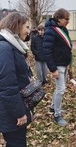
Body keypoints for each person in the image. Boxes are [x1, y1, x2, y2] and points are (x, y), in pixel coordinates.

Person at [0, 12, 32, 147]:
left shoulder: (12, 46)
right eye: (27, 27)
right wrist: (19, 113)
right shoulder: (5, 48)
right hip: (10, 111)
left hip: (10, 107)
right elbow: (7, 86)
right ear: (17, 26)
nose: (28, 31)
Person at [43, 8, 72, 126]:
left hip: (63, 64)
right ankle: (57, 115)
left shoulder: (63, 29)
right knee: (61, 89)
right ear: (58, 18)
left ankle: (53, 107)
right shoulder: (51, 31)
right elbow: (47, 51)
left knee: (58, 89)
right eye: (66, 19)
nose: (68, 21)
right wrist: (53, 69)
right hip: (57, 65)